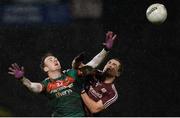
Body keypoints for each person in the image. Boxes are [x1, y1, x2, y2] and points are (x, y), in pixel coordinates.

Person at [8, 31, 117, 117]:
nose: (55, 60)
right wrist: (22, 79)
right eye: (50, 60)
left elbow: (92, 64)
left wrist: (105, 50)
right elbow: (32, 87)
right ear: (46, 68)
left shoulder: (72, 74)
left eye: (55, 59)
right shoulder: (46, 84)